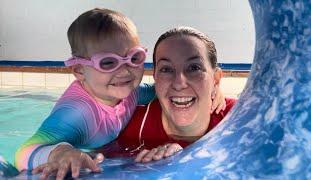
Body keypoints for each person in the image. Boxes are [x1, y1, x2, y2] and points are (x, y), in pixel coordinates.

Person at [14, 9, 226, 180]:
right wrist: (60, 153)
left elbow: (167, 89)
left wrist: (211, 88)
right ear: (79, 71)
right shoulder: (78, 111)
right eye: (108, 62)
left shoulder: (130, 92)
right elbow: (24, 151)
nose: (124, 71)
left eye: (134, 58)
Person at [100, 26, 236, 163]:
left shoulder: (238, 116)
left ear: (216, 79)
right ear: (155, 77)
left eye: (194, 68)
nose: (179, 83)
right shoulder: (126, 121)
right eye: (166, 69)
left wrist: (184, 156)